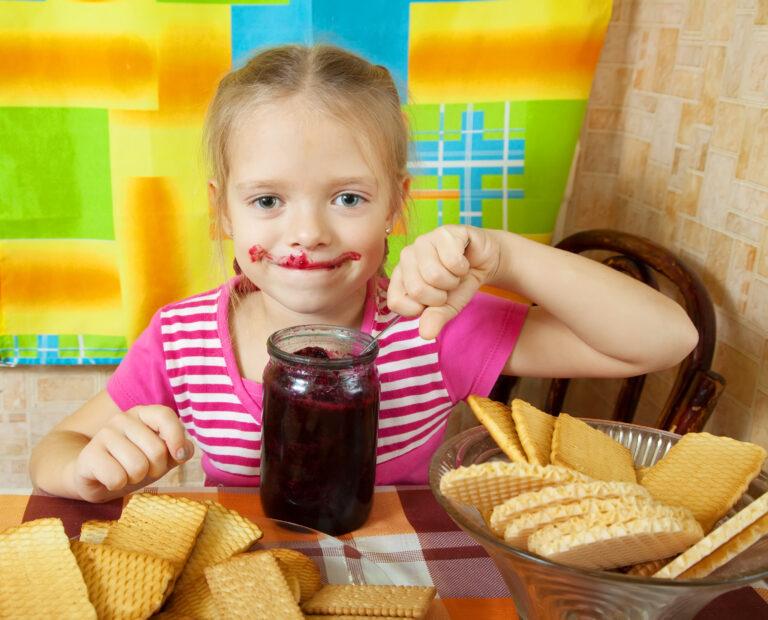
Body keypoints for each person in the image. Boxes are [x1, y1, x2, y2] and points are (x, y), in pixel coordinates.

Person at [29, 44, 699, 502]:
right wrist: (88, 468)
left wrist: (506, 256)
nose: (308, 233)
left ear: (395, 207)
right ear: (222, 213)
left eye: (348, 198)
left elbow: (666, 341)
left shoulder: (430, 328)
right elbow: (55, 450)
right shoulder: (181, 340)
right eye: (267, 201)